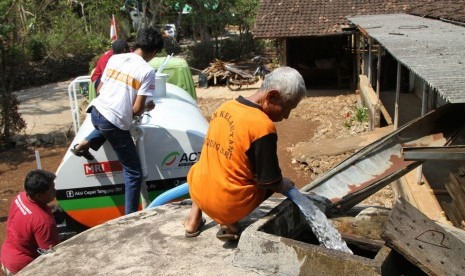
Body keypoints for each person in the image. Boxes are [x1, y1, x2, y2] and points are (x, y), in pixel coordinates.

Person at [183, 66, 306, 241]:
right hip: (226, 205)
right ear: (271, 96)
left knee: (207, 163)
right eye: (287, 107)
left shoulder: (226, 107)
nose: (286, 116)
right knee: (273, 183)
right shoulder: (262, 127)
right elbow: (270, 180)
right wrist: (283, 184)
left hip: (198, 188)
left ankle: (192, 220)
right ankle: (229, 224)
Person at [70, 27, 164, 215]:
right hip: (111, 123)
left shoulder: (115, 58)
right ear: (153, 52)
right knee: (134, 172)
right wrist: (148, 106)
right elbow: (137, 110)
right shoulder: (147, 71)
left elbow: (100, 89)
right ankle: (129, 217)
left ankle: (86, 141)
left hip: (96, 112)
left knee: (107, 124)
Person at [1, 170, 59, 275]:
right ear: (39, 196)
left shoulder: (20, 197)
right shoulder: (43, 221)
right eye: (52, 189)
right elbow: (50, 255)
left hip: (7, 256)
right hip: (23, 267)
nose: (55, 191)